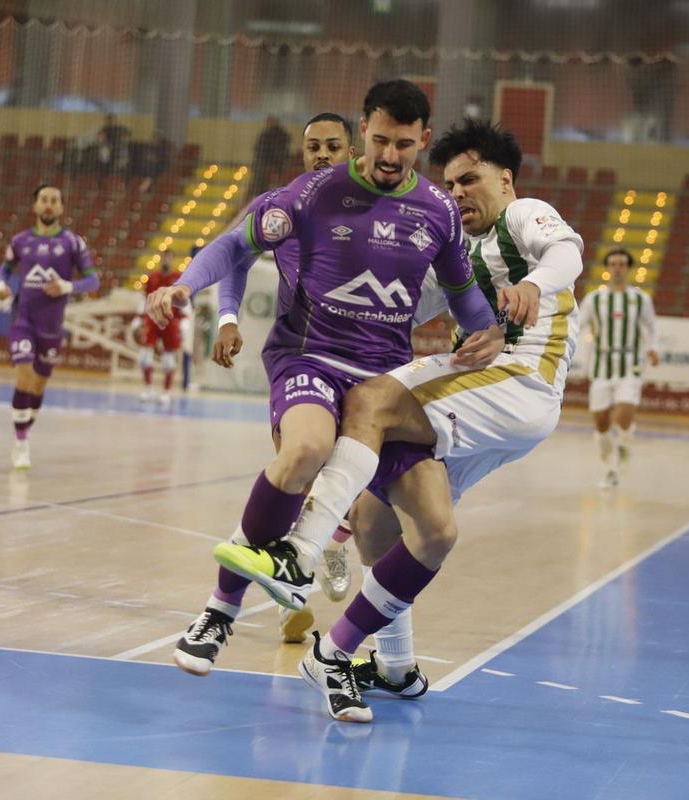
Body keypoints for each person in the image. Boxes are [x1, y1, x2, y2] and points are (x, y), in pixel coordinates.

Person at [145, 81, 503, 722]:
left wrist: (490, 329)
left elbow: (461, 292)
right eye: (380, 140)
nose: (389, 155)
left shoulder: (438, 212)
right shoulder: (313, 193)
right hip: (309, 357)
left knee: (436, 530)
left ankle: (338, 654)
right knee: (307, 448)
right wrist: (185, 285)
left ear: (423, 140)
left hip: (383, 385)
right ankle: (219, 612)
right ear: (363, 130)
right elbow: (234, 246)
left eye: (404, 144)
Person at [213, 118, 585, 722]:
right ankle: (379, 662)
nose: (457, 193)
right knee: (395, 522)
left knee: (368, 400)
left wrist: (536, 285)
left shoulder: (523, 215)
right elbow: (403, 301)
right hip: (493, 404)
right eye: (450, 184)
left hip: (519, 379)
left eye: (470, 180)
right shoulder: (457, 249)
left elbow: (568, 252)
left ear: (505, 179)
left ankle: (304, 548)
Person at [211, 111, 359, 642]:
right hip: (299, 356)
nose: (322, 155)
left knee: (355, 487)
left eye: (333, 146)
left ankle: (332, 540)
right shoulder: (281, 206)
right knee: (297, 464)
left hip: (364, 361)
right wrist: (227, 319)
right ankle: (285, 603)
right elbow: (234, 259)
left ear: (352, 152)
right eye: (313, 146)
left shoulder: (381, 211)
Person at [0, 185, 100, 469]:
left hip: (52, 326)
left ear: (61, 207)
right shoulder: (20, 241)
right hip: (23, 319)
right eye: (44, 200)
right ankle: (20, 443)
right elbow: (5, 269)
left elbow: (93, 281)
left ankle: (24, 430)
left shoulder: (72, 243)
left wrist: (67, 286)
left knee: (38, 385)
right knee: (23, 373)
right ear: (35, 206)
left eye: (54, 200)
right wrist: (1, 285)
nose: (49, 205)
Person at [578, 249, 658, 489]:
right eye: (613, 264)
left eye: (622, 264)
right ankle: (609, 468)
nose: (617, 268)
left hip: (630, 365)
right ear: (607, 268)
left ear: (628, 268)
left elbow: (651, 326)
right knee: (601, 422)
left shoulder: (640, 299)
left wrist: (652, 348)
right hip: (601, 365)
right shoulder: (594, 299)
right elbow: (578, 324)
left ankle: (624, 442)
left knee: (623, 414)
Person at [138, 252, 183, 403]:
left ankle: (166, 392)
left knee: (168, 360)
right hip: (152, 320)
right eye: (164, 258)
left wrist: (184, 321)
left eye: (169, 258)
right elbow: (145, 299)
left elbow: (185, 300)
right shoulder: (152, 278)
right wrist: (139, 318)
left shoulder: (178, 278)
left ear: (173, 260)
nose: (166, 261)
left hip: (171, 321)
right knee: (145, 357)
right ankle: (148, 389)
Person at [249, 115, 292, 196]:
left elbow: (280, 150)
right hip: (267, 161)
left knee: (261, 173)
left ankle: (259, 192)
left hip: (276, 161)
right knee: (258, 173)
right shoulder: (265, 134)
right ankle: (258, 192)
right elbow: (258, 148)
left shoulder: (281, 134)